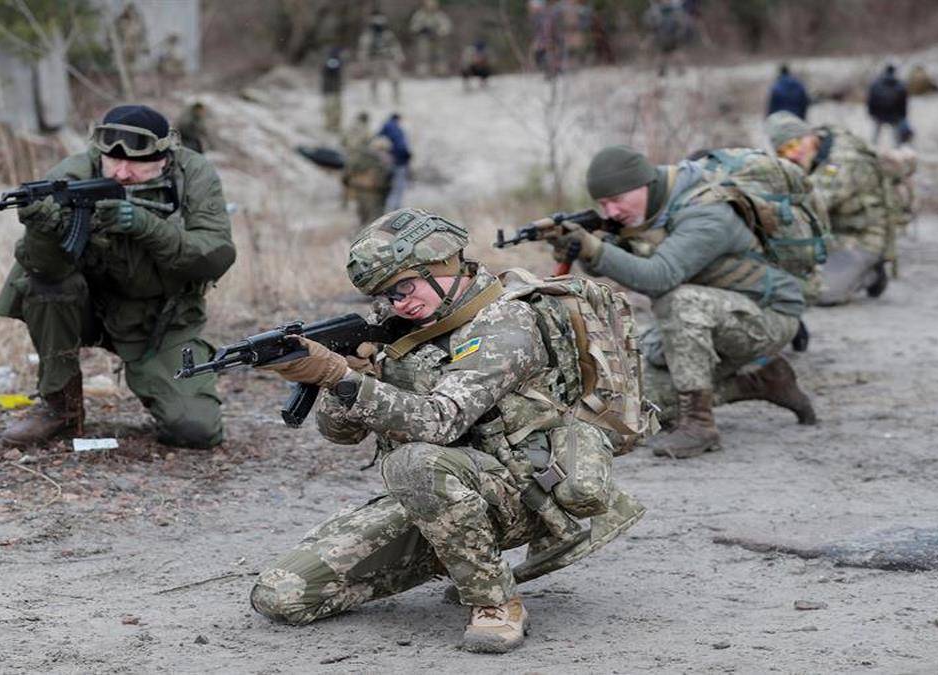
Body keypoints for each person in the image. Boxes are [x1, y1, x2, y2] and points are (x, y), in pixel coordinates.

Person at [249, 207, 644, 653]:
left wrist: (341, 377)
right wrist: (350, 375)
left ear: (442, 266)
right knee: (281, 595)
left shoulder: (506, 324)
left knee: (412, 460)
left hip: (521, 491)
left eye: (405, 287)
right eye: (386, 295)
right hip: (435, 498)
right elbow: (340, 435)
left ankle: (495, 602)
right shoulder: (402, 330)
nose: (399, 303)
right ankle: (460, 559)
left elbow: (440, 420)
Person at [0, 105, 235, 449]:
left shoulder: (193, 176)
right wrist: (42, 230)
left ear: (164, 158)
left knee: (195, 431)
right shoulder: (73, 175)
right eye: (112, 161)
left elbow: (217, 256)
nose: (120, 173)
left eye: (134, 164)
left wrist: (146, 226)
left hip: (161, 321)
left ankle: (165, 390)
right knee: (44, 284)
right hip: (88, 307)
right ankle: (60, 409)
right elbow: (44, 270)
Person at [549, 146, 815, 459]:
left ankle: (699, 424)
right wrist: (585, 252)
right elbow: (633, 260)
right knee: (634, 406)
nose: (610, 212)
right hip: (714, 316)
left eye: (617, 200)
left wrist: (594, 249)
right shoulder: (656, 209)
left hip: (768, 315)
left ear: (645, 184)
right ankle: (760, 382)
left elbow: (658, 276)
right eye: (603, 204)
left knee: (679, 301)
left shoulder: (707, 212)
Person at [766, 111, 904, 306]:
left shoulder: (844, 160)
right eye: (782, 152)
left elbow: (810, 203)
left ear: (809, 136)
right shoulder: (816, 152)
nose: (792, 155)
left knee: (820, 294)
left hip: (861, 239)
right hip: (830, 234)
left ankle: (872, 274)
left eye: (793, 145)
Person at [341, 136, 393, 227]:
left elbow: (348, 171)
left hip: (364, 189)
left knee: (365, 216)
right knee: (374, 219)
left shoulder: (362, 156)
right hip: (374, 192)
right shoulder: (384, 159)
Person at [358, 12, 405, 103]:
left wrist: (399, 55)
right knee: (374, 78)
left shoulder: (388, 34)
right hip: (375, 58)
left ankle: (396, 96)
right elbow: (364, 48)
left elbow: (395, 46)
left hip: (388, 57)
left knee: (395, 76)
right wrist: (363, 60)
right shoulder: (368, 35)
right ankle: (374, 97)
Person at [867, 64, 909, 147]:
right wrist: (903, 116)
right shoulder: (900, 85)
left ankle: (872, 149)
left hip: (879, 115)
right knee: (897, 139)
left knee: (875, 137)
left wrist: (871, 113)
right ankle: (898, 150)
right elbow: (903, 103)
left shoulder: (876, 84)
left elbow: (871, 100)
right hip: (895, 116)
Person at [408, 0, 452, 77]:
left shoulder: (439, 15)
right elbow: (413, 26)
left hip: (437, 39)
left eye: (432, 5)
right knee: (423, 55)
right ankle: (422, 73)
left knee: (440, 55)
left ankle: (441, 72)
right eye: (428, 5)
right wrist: (421, 29)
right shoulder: (420, 15)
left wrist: (439, 31)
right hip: (424, 38)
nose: (430, 7)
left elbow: (446, 26)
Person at [378, 113, 412, 210]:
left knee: (388, 189)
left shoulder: (383, 129)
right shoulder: (396, 129)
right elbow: (401, 147)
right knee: (398, 188)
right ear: (398, 119)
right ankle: (393, 211)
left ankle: (386, 211)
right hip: (399, 163)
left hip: (385, 164)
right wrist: (407, 156)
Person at [321, 47, 344, 133]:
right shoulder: (332, 61)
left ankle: (334, 125)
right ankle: (330, 126)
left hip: (334, 90)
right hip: (331, 90)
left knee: (336, 109)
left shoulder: (334, 61)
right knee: (331, 109)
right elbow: (333, 69)